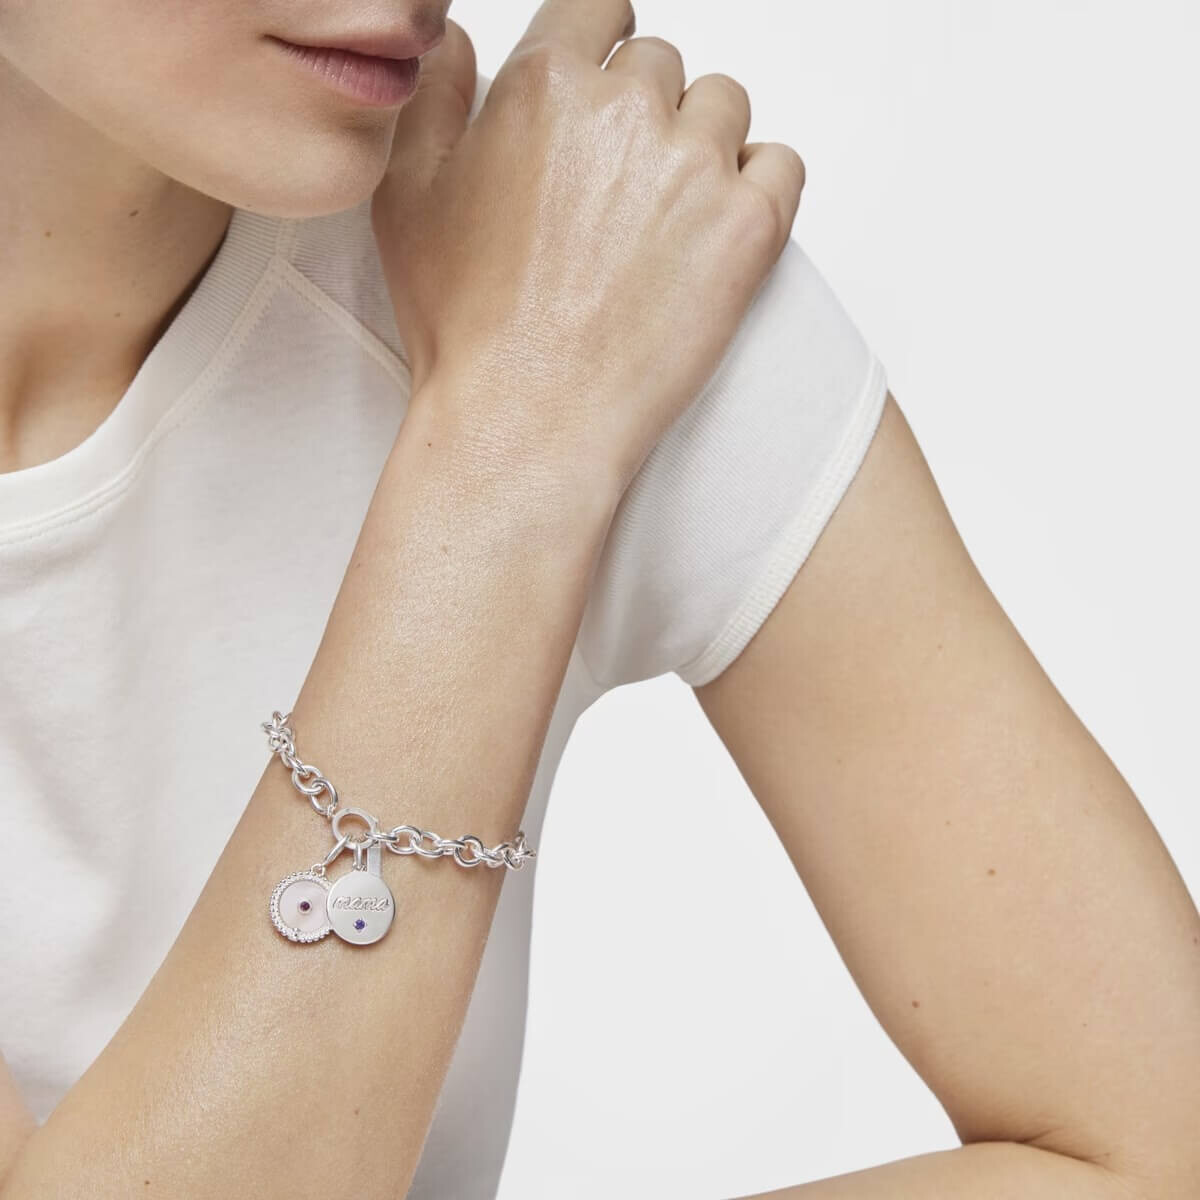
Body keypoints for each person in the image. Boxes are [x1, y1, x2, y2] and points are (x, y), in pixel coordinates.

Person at [1, 1, 1197, 1198]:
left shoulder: (584, 259)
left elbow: (1160, 1155)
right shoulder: (551, 321)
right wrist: (507, 451)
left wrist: (532, 389)